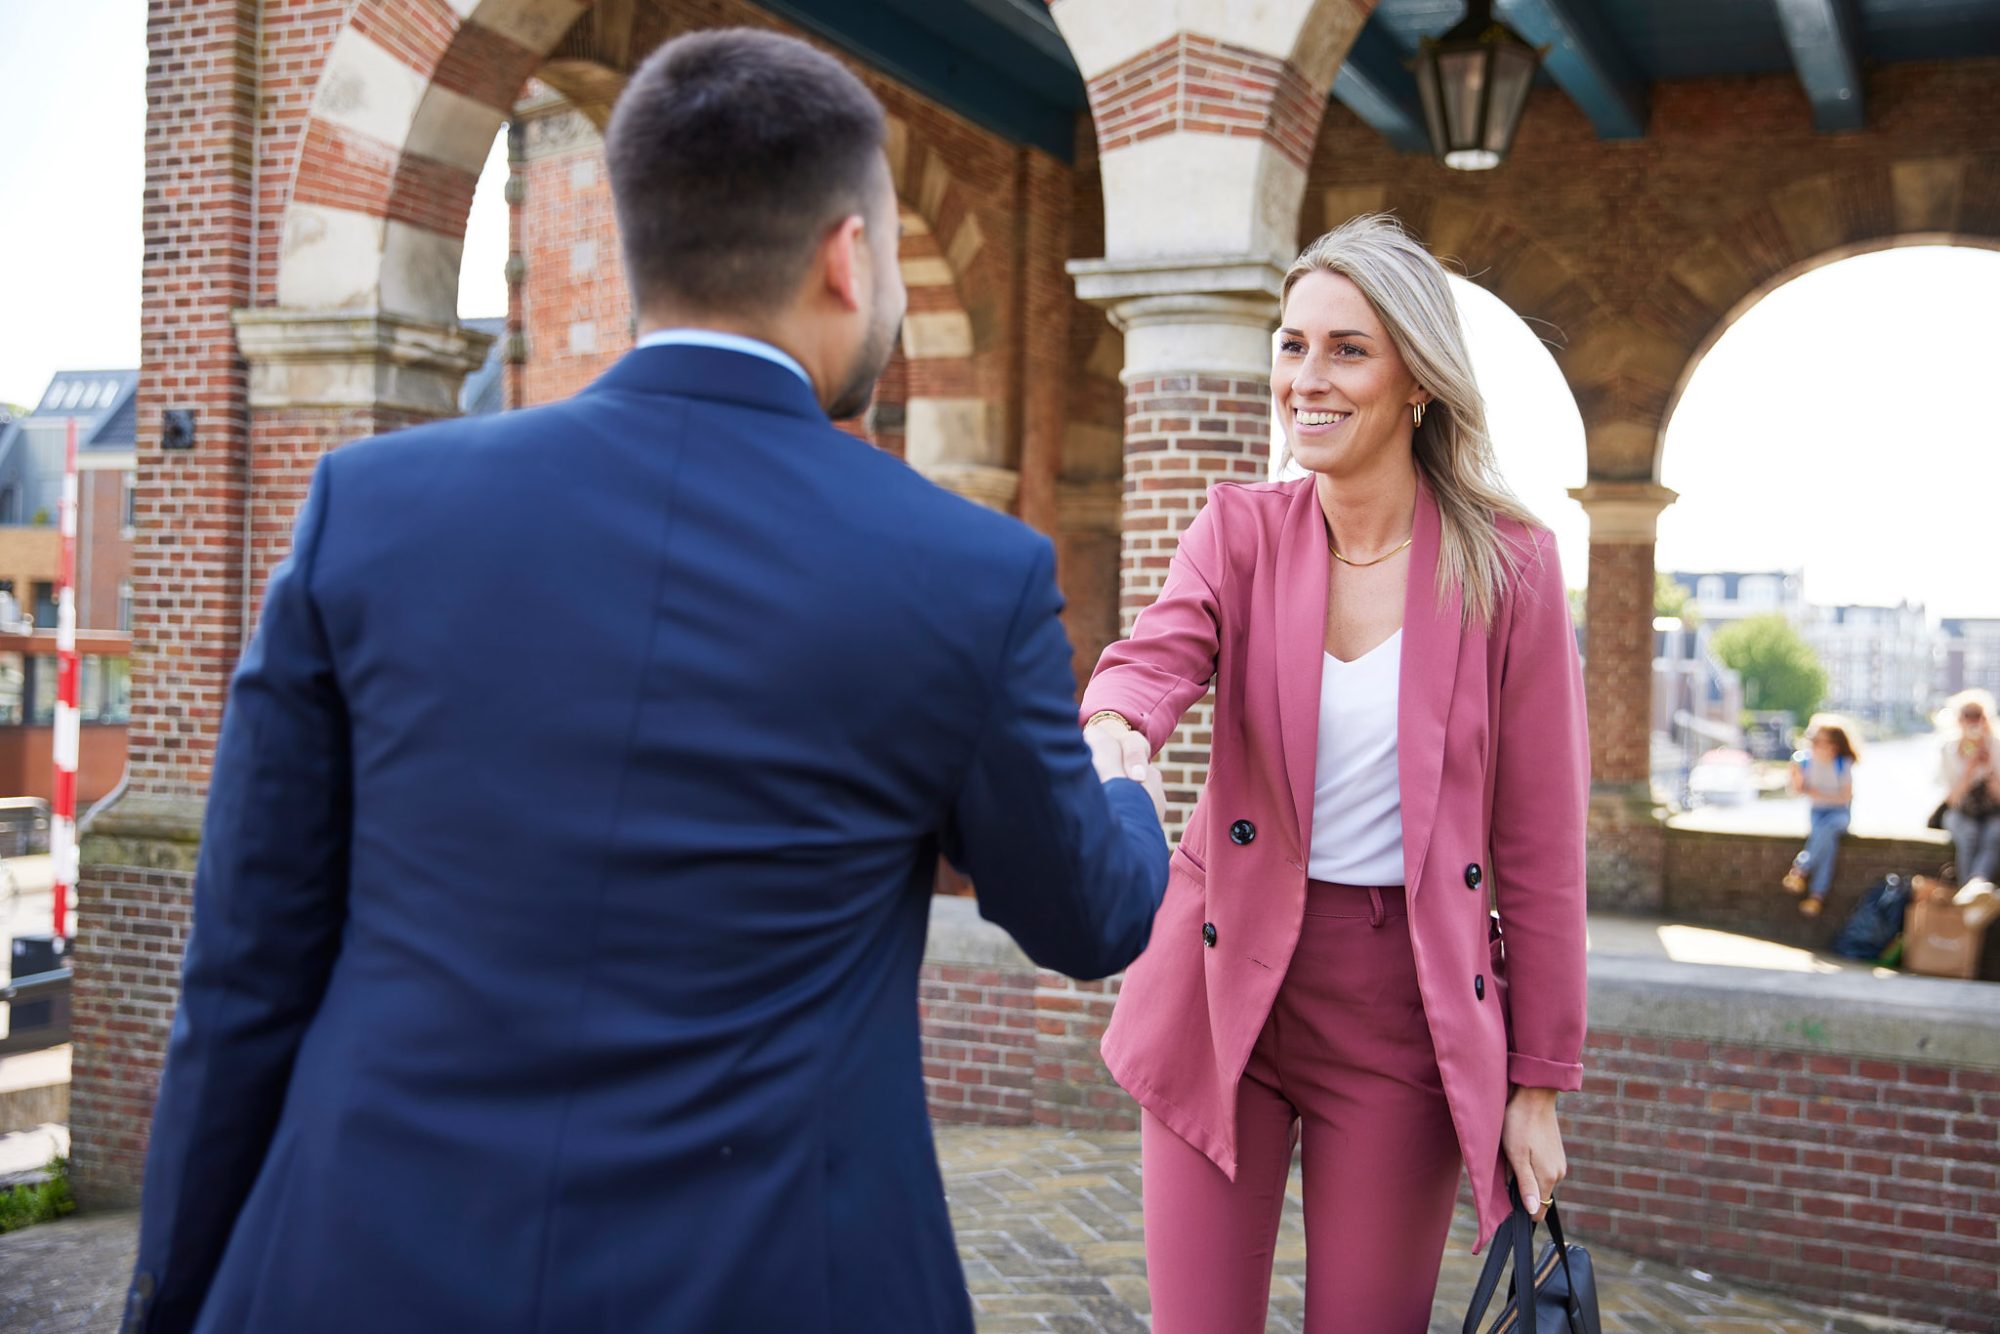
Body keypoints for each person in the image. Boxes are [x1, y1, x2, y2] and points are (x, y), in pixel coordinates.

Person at [120, 30, 1171, 1334]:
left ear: (641, 246)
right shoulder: (967, 573)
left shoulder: (371, 511)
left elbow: (245, 976)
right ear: (848, 257)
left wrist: (168, 1300)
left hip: (363, 1271)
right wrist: (1123, 781)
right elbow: (1090, 914)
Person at [1078, 214, 1589, 1332]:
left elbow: (1542, 848)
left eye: (1346, 350)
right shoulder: (1239, 530)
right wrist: (1117, 727)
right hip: (1221, 981)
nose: (1305, 378)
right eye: (1291, 344)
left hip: (1402, 1012)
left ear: (1419, 380)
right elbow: (1154, 656)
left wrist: (1538, 1082)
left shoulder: (1509, 567)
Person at [1783, 716, 1859, 917]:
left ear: (1833, 746)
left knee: (1827, 829)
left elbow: (1845, 798)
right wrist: (1795, 775)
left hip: (1839, 813)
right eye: (1811, 739)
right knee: (1827, 847)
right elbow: (1797, 791)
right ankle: (1817, 896)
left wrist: (1817, 793)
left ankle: (1800, 870)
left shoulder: (1842, 764)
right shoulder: (1804, 761)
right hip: (1817, 812)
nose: (1812, 744)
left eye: (1817, 741)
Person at [1938, 690, 2000, 886]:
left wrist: (1989, 769)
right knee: (1968, 835)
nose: (1974, 721)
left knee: (1994, 835)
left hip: (1992, 812)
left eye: (1978, 715)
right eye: (1968, 715)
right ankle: (1970, 890)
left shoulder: (1996, 747)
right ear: (1959, 720)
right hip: (1962, 812)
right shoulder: (1949, 750)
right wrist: (1970, 770)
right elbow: (1951, 800)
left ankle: (1975, 885)